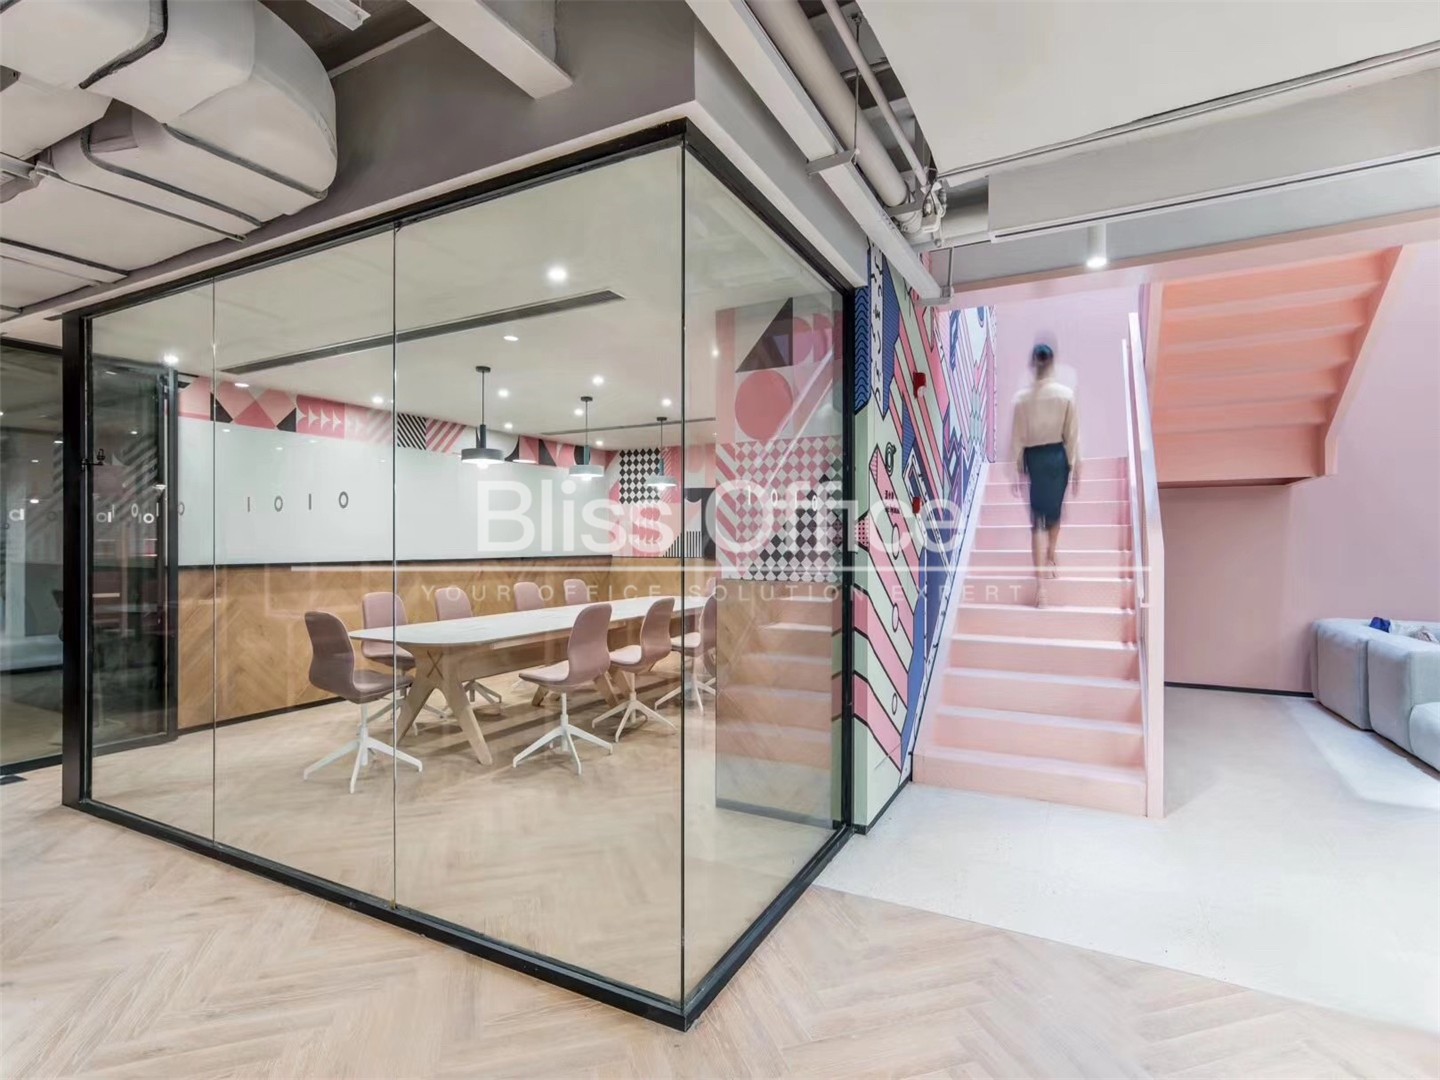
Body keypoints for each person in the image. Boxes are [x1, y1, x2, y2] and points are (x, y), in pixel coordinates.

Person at [1010, 343, 1080, 607]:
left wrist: (1017, 468)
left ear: (1033, 364)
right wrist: (1075, 466)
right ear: (1052, 364)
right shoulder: (1065, 395)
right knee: (1055, 513)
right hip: (1057, 458)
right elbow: (1072, 436)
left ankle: (1041, 588)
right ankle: (1051, 553)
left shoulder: (1022, 399)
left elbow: (1017, 438)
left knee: (1037, 522)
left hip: (1035, 460)